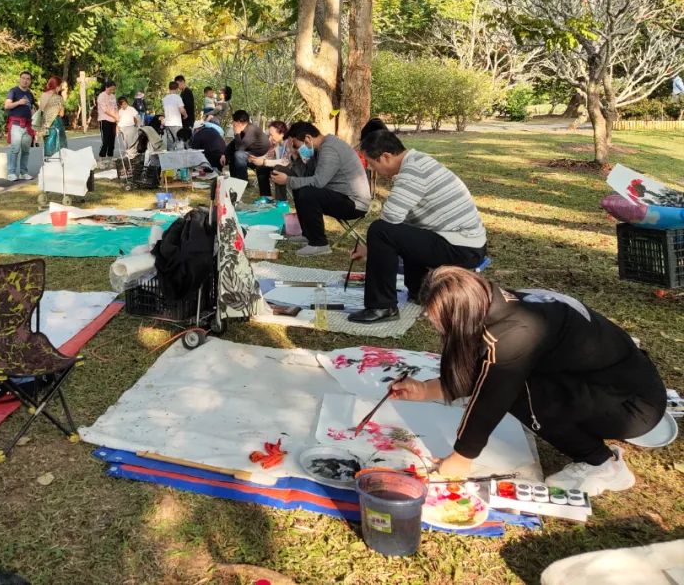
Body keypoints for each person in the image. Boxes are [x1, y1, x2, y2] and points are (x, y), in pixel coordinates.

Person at [391, 267, 666, 495]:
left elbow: (491, 398)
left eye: (434, 319)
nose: (432, 324)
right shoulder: (500, 303)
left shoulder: (514, 333)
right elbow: (484, 370)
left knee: (518, 392)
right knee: (512, 381)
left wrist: (461, 459)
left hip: (633, 405)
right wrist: (425, 389)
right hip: (617, 383)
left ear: (461, 315)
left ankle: (602, 464)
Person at [350, 129, 487, 324]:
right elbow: (401, 225)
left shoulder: (413, 171)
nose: (373, 171)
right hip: (463, 243)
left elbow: (389, 219)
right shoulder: (417, 162)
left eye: (372, 165)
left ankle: (382, 307)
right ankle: (421, 292)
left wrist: (371, 249)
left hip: (461, 248)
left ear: (386, 157)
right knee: (397, 231)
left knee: (379, 230)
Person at [272, 122, 371, 258]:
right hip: (340, 196)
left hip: (354, 203)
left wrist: (288, 180)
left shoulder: (330, 149)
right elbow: (305, 177)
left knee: (308, 191)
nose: (296, 149)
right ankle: (308, 234)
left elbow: (318, 182)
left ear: (308, 139)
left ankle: (319, 244)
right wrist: (296, 157)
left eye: (296, 146)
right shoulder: (320, 149)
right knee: (300, 187)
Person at [224, 110, 272, 192]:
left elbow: (240, 149)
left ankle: (243, 182)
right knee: (234, 154)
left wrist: (237, 133)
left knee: (238, 155)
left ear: (239, 122)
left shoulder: (251, 130)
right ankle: (234, 181)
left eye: (234, 121)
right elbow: (233, 144)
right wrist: (224, 155)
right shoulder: (244, 129)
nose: (232, 123)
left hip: (260, 158)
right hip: (251, 154)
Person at [248, 120, 295, 201]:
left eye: (272, 135)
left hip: (292, 171)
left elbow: (285, 161)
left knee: (278, 169)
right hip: (281, 168)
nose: (269, 137)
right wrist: (256, 159)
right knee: (261, 168)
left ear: (282, 134)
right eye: (269, 135)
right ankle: (266, 197)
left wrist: (264, 162)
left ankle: (281, 201)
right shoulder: (276, 144)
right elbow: (268, 156)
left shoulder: (289, 143)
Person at [3, 71, 36, 182]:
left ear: (30, 81)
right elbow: (7, 105)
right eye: (23, 78)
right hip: (16, 124)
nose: (25, 80)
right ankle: (11, 173)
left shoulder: (30, 94)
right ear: (20, 79)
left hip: (28, 125)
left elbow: (31, 109)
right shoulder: (13, 91)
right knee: (15, 149)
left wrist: (35, 120)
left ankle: (23, 172)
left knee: (26, 150)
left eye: (28, 79)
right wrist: (19, 102)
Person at [37, 76, 67, 157]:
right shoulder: (58, 98)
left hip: (45, 124)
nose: (61, 88)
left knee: (48, 145)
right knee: (58, 147)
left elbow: (41, 110)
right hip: (56, 123)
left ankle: (48, 165)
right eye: (60, 86)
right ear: (57, 86)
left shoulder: (43, 95)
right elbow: (61, 114)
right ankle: (58, 166)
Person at [97, 79, 118, 158]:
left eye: (113, 89)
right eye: (111, 89)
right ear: (106, 87)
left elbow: (115, 108)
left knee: (112, 139)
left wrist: (117, 117)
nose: (112, 90)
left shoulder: (113, 96)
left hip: (113, 121)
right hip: (104, 120)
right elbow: (105, 110)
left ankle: (110, 156)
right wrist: (114, 116)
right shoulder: (101, 96)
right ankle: (102, 157)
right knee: (105, 139)